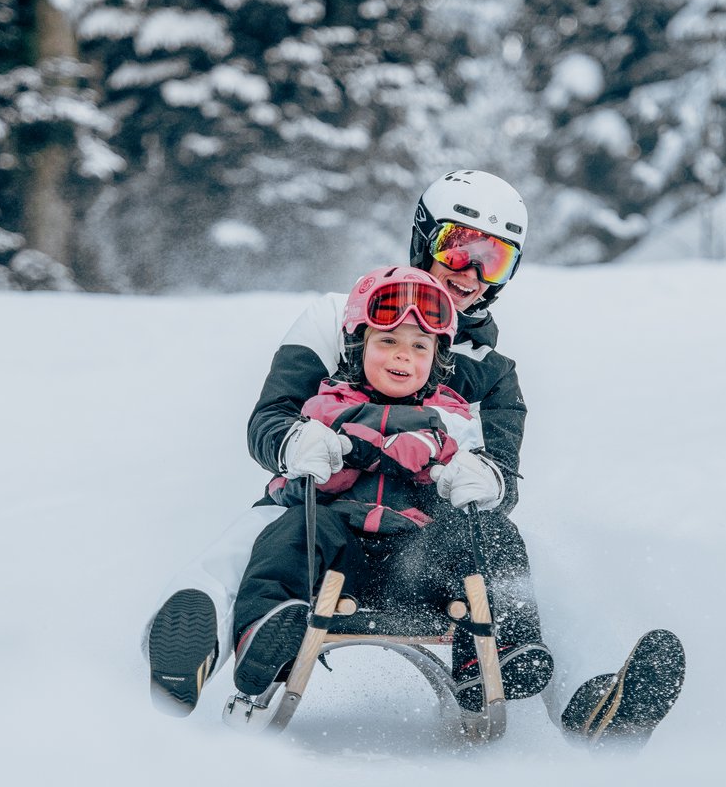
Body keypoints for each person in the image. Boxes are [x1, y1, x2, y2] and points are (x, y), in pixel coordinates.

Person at [145, 170, 548, 715]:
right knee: (266, 538)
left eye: (494, 259)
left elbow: (503, 481)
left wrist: (489, 480)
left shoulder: (492, 372)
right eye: (458, 251)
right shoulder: (340, 316)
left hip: (426, 537)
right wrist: (295, 444)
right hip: (324, 509)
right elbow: (270, 418)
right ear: (424, 238)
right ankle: (201, 646)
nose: (472, 274)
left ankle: (574, 692)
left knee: (508, 553)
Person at [229, 264, 546, 709]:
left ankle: (501, 652)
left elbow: (493, 477)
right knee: (290, 533)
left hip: (419, 564)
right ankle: (265, 635)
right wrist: (312, 453)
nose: (403, 356)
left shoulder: (453, 418)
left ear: (438, 359)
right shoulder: (324, 406)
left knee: (494, 536)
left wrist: (480, 478)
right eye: (387, 341)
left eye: (420, 346)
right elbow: (291, 477)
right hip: (340, 560)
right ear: (359, 346)